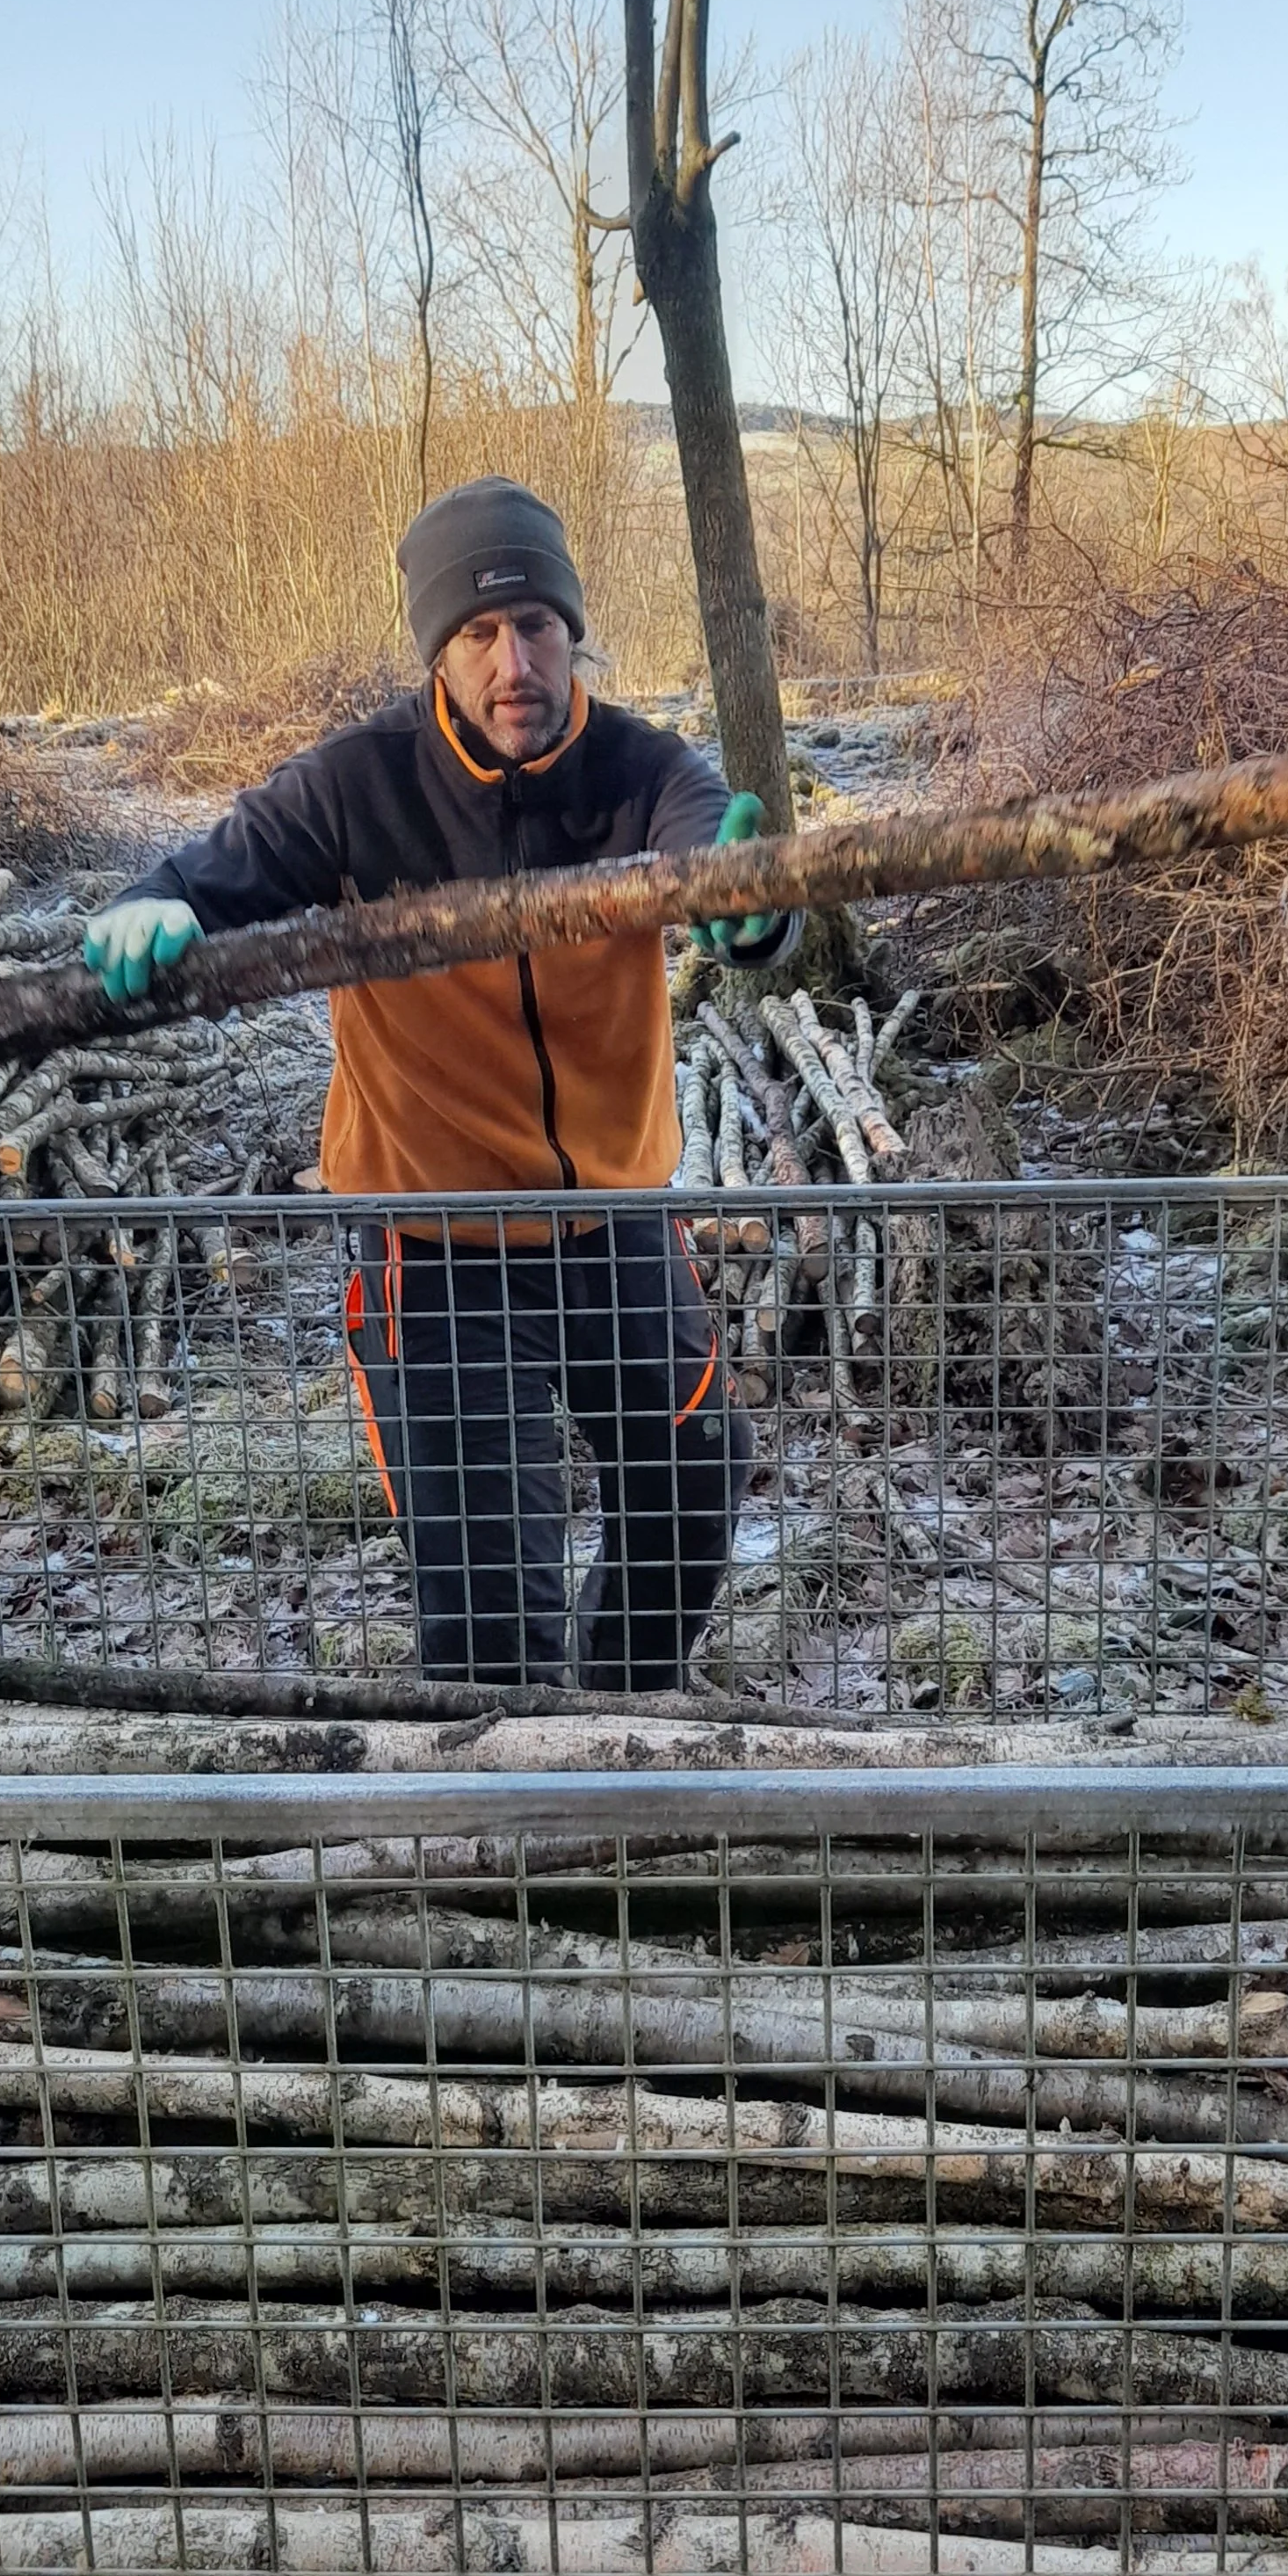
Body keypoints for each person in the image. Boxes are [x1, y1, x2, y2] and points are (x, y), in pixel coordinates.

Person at [84, 477, 796, 1691]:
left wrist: (742, 906)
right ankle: (508, 1827)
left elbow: (714, 860)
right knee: (490, 1613)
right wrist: (153, 902)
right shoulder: (359, 786)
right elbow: (206, 873)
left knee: (691, 1482)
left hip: (616, 1224)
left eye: (536, 626)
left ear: (574, 633)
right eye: (476, 634)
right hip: (439, 1247)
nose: (511, 660)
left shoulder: (640, 769)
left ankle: (616, 1734)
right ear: (438, 652)